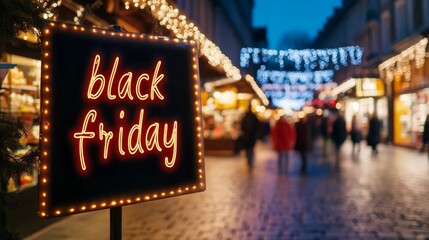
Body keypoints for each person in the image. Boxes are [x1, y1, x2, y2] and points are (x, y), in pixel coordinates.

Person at [240, 104, 260, 169]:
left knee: (248, 148)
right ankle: (250, 160)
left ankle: (249, 160)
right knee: (251, 148)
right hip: (252, 136)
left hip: (247, 136)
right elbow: (258, 126)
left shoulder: (245, 117)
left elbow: (242, 126)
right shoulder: (254, 116)